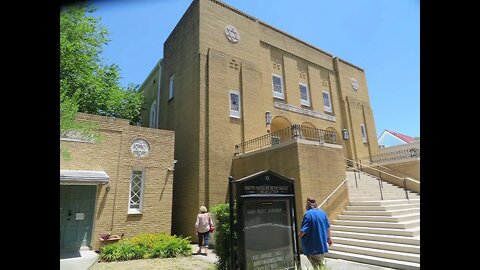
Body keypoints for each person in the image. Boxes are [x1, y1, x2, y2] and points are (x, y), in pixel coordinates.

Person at [298, 197, 333, 268]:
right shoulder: (322, 213)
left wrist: (296, 237)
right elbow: (328, 227)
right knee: (320, 264)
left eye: (306, 204)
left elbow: (304, 231)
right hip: (322, 245)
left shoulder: (308, 214)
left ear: (308, 204)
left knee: (317, 266)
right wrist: (329, 238)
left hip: (312, 247)